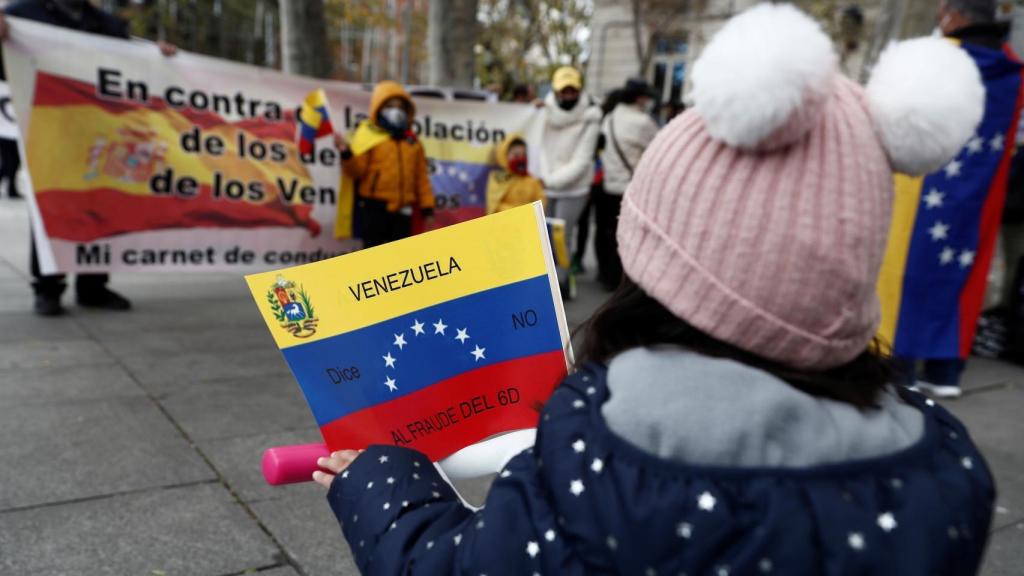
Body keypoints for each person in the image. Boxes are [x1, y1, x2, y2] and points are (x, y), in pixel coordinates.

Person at [311, 5, 994, 574]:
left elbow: (455, 565)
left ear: (654, 271)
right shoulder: (946, 471)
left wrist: (380, 484)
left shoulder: (602, 457)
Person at [878, 0, 1024, 398]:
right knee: (959, 272)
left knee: (904, 269)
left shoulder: (939, 57)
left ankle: (899, 363)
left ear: (953, 15)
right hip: (979, 193)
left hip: (925, 183)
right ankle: (944, 370)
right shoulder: (1012, 69)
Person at [0, 0, 176, 316]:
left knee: (99, 204)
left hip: (99, 132)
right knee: (52, 205)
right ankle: (48, 287)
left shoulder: (105, 23)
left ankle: (93, 286)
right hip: (47, 130)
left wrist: (158, 57)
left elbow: (132, 59)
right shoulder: (20, 15)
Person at [334, 81, 434, 249]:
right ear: (379, 108)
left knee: (401, 261)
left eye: (400, 106)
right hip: (374, 210)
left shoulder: (413, 143)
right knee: (374, 262)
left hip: (403, 212)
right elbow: (356, 172)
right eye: (390, 105)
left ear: (407, 111)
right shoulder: (368, 136)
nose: (396, 110)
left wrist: (427, 207)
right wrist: (346, 153)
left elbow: (421, 178)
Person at [537, 67, 601, 274]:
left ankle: (563, 281)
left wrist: (551, 180)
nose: (568, 95)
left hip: (574, 189)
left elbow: (582, 159)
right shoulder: (542, 113)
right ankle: (547, 280)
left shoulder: (591, 117)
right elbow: (540, 148)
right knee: (543, 237)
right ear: (556, 92)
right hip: (547, 186)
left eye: (572, 90)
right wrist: (547, 179)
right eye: (564, 90)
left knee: (562, 237)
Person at [597, 78, 659, 290]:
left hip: (608, 185)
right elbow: (658, 149)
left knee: (607, 233)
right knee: (624, 237)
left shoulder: (611, 117)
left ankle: (604, 275)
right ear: (640, 98)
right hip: (630, 189)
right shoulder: (643, 122)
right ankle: (617, 280)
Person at [485, 134, 544, 214]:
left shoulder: (532, 180)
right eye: (516, 155)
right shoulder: (497, 178)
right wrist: (517, 212)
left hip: (527, 222)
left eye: (524, 155)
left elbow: (541, 203)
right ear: (505, 155)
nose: (521, 158)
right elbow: (494, 205)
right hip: (504, 222)